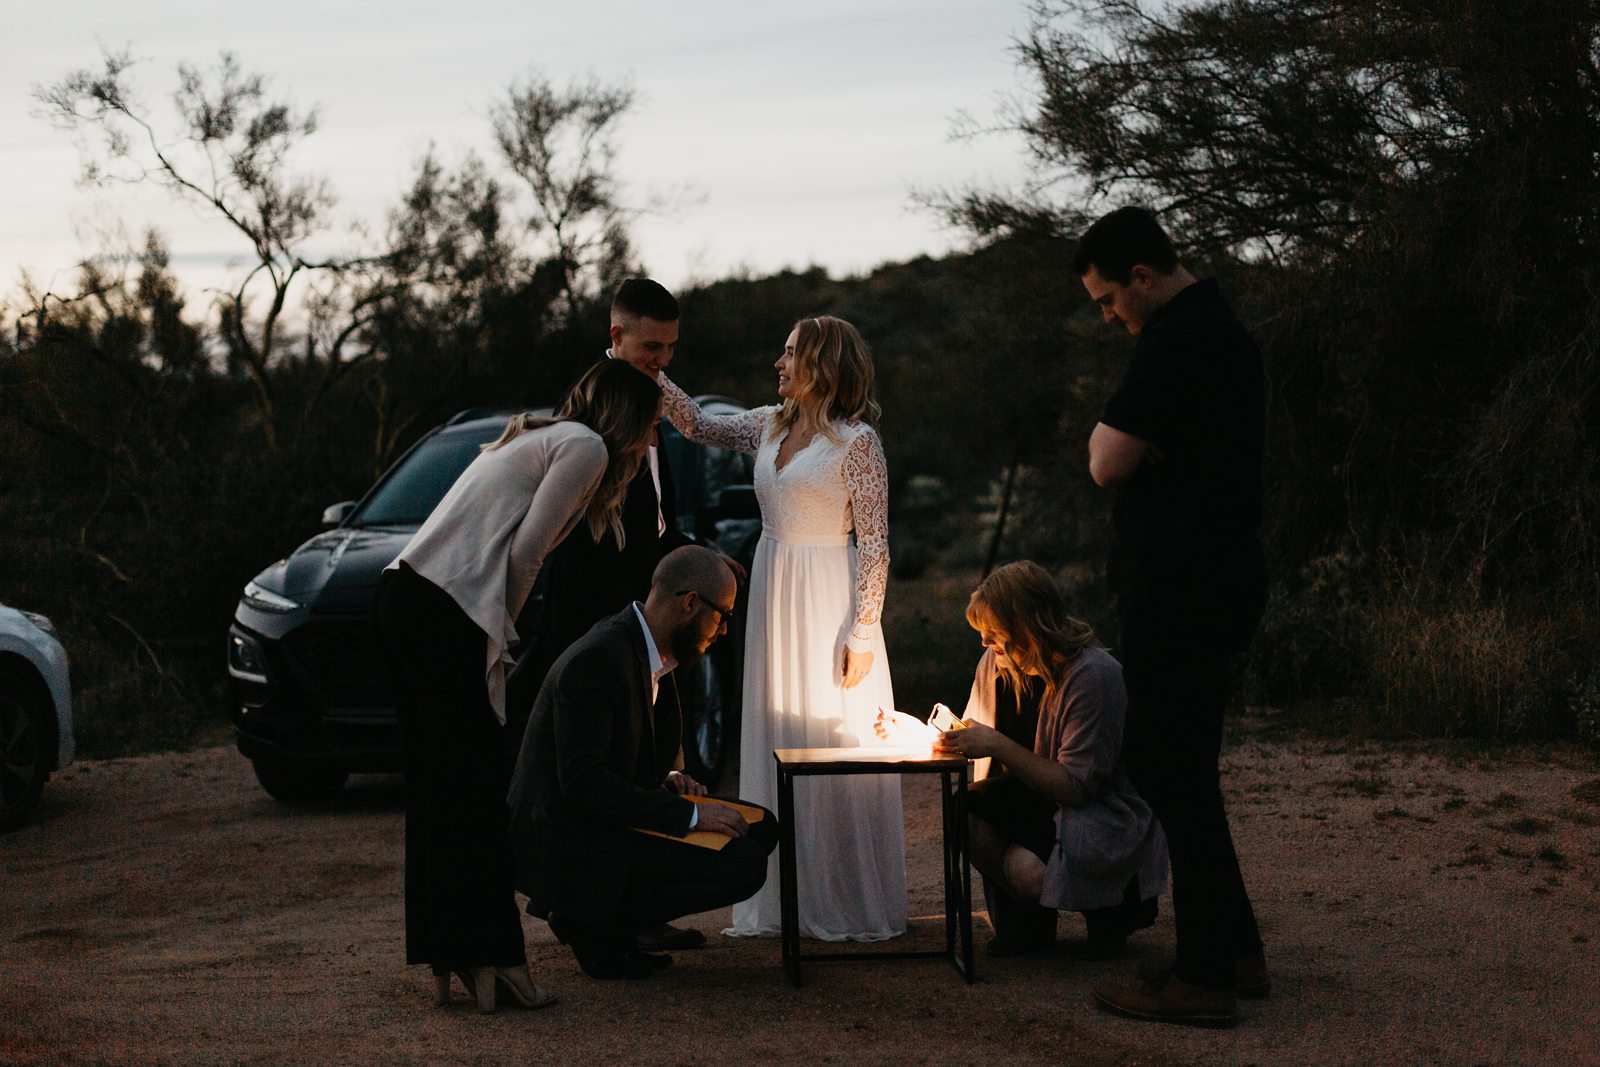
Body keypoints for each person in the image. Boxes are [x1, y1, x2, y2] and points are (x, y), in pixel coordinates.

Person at [373, 359, 662, 1013]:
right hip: (446, 611)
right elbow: (527, 551)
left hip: (401, 596)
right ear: (625, 419)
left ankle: (452, 961)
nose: (650, 445)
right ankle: (498, 960)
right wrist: (499, 639)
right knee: (476, 794)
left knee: (440, 793)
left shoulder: (539, 435)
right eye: (650, 428)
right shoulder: (585, 446)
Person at [1076, 205, 1269, 1028]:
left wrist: (1130, 444)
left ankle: (1204, 976)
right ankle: (1234, 950)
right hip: (1214, 579)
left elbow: (1103, 459)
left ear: (1144, 278)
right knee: (1186, 767)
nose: (1108, 314)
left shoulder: (1178, 339)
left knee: (1171, 769)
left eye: (1108, 298)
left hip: (1182, 588)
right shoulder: (1217, 329)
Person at [657, 315, 906, 941]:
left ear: (822, 364)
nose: (780, 362)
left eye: (791, 353)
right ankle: (781, 897)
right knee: (777, 731)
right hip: (774, 585)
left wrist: (862, 634)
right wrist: (647, 370)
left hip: (829, 598)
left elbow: (874, 544)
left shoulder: (858, 443)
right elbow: (697, 424)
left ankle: (839, 898)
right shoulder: (768, 423)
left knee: (828, 740)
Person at [511, 278, 736, 955]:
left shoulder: (653, 398)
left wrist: (701, 559)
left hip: (648, 619)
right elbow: (578, 535)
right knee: (602, 768)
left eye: (670, 347)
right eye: (650, 346)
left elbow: (653, 520)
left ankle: (634, 905)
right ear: (616, 338)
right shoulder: (595, 410)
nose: (662, 360)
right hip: (601, 623)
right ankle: (592, 905)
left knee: (651, 759)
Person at [507, 547, 779, 979]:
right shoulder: (598, 660)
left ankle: (616, 920)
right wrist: (690, 815)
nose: (724, 630)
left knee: (761, 825)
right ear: (689, 603)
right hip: (572, 842)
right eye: (722, 616)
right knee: (742, 863)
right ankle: (593, 922)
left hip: (604, 821)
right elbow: (582, 784)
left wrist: (670, 778)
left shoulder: (651, 650)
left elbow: (621, 750)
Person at [876, 562, 1167, 959]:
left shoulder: (1092, 677)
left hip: (1092, 810)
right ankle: (1027, 912)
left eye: (994, 634)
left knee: (1030, 866)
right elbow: (973, 740)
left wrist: (997, 744)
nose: (986, 644)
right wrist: (915, 731)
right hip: (1032, 801)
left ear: (1029, 626)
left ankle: (1110, 908)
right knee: (967, 808)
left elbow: (1077, 788)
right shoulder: (997, 665)